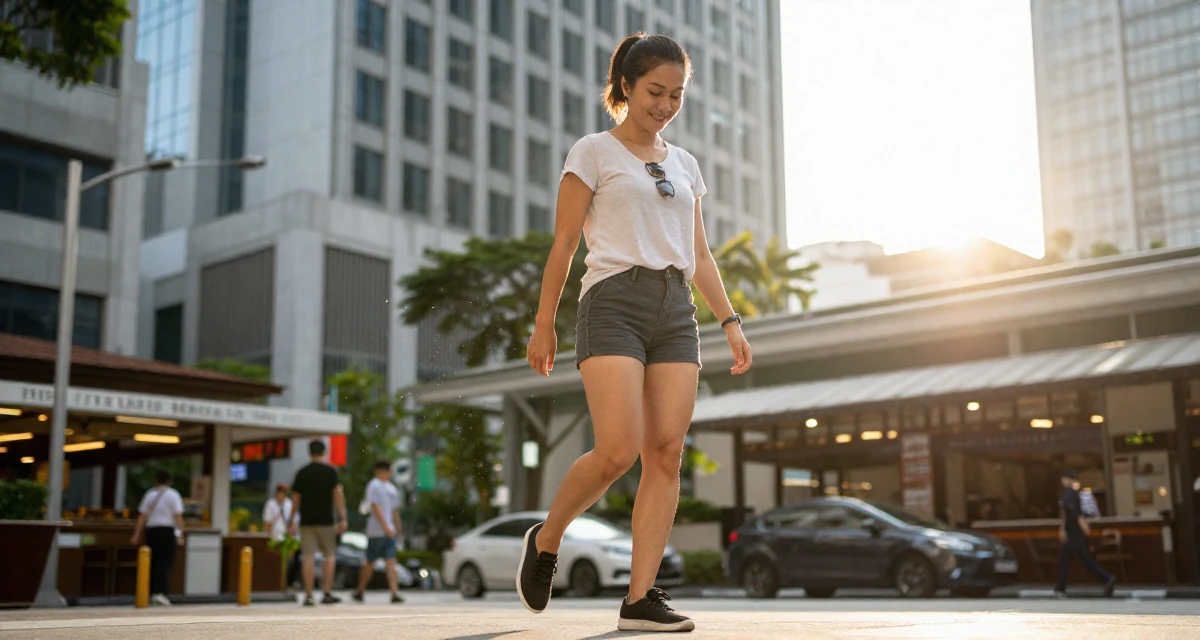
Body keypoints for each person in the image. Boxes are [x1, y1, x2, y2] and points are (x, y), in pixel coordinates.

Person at [520, 32, 752, 633]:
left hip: (676, 308)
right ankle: (546, 539)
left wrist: (729, 321)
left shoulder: (686, 164)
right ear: (625, 86)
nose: (666, 104)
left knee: (667, 454)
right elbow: (565, 244)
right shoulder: (593, 151)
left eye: (676, 94)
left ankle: (639, 599)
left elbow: (699, 253)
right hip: (613, 300)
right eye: (655, 91)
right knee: (618, 450)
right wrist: (543, 322)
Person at [289, 439, 348, 606]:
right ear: (324, 452)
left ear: (310, 453)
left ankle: (308, 595)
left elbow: (295, 498)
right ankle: (327, 592)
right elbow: (338, 494)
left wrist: (291, 519)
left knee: (308, 557)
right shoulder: (331, 472)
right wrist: (342, 517)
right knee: (329, 556)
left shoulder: (302, 472)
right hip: (327, 521)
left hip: (307, 521)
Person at [1055, 469, 1116, 598]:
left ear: (1066, 479)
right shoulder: (1075, 494)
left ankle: (1107, 578)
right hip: (1072, 532)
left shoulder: (1069, 495)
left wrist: (1081, 527)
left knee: (1084, 559)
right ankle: (1060, 588)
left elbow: (1074, 514)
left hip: (1073, 533)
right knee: (1066, 560)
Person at [130, 469, 185, 606]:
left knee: (152, 562)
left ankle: (150, 592)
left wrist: (136, 534)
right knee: (165, 562)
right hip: (167, 531)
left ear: (156, 480)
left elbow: (142, 516)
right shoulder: (173, 495)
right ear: (169, 481)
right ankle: (160, 593)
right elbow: (177, 515)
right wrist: (180, 533)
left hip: (151, 530)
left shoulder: (150, 495)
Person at [353, 460, 404, 604]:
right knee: (370, 562)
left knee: (391, 562)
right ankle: (360, 590)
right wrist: (386, 526)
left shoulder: (392, 489)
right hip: (376, 531)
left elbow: (395, 511)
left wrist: (397, 528)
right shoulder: (374, 485)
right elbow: (374, 506)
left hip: (388, 532)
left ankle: (394, 592)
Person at [263, 483, 300, 587]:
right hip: (276, 537)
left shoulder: (290, 504)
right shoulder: (271, 504)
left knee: (289, 562)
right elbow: (267, 523)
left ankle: (287, 582)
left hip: (287, 537)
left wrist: (292, 534)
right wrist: (268, 536)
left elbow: (295, 522)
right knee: (275, 562)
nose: (281, 495)